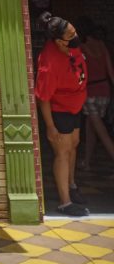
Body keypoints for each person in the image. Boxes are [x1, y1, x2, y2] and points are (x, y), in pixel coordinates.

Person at [35, 11, 89, 216]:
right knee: (62, 151)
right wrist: (50, 126)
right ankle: (65, 202)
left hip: (75, 107)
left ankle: (72, 185)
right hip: (60, 110)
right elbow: (44, 98)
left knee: (73, 145)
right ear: (59, 41)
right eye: (71, 35)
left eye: (74, 32)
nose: (75, 36)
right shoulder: (49, 62)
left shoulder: (71, 47)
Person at [79, 22, 114, 172]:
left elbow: (79, 73)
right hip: (104, 90)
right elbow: (111, 72)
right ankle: (86, 162)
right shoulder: (102, 45)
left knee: (100, 130)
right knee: (91, 127)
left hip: (90, 91)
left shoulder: (81, 49)